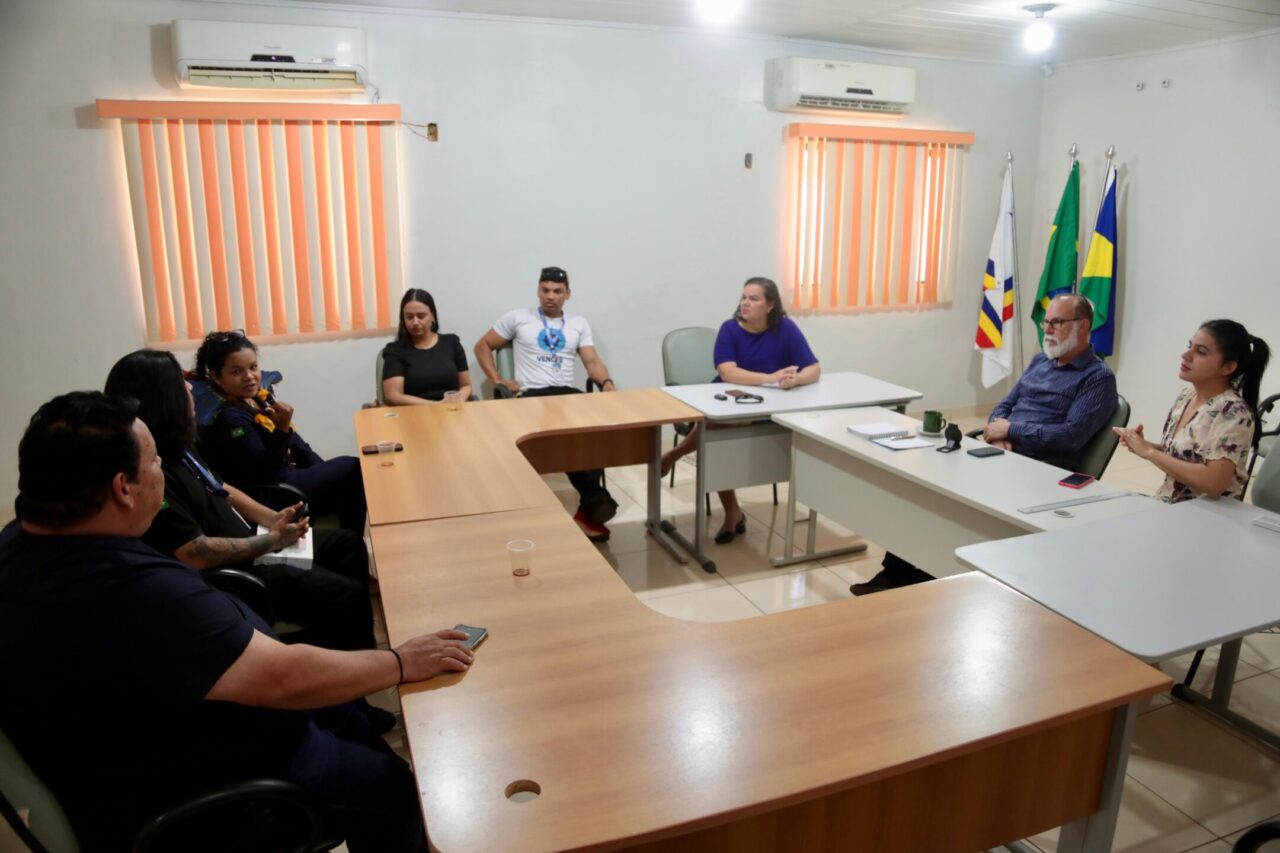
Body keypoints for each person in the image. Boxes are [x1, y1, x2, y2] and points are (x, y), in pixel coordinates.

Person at [0, 391, 474, 852]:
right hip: (217, 786)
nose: (162, 469)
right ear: (122, 488)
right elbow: (283, 678)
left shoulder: (22, 544)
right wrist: (400, 662)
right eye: (154, 462)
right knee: (394, 792)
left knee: (347, 713)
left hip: (205, 721)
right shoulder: (128, 593)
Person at [104, 351, 386, 720]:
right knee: (344, 596)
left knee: (347, 546)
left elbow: (221, 487)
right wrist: (271, 540)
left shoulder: (179, 446)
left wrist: (272, 519)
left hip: (253, 540)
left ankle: (354, 672)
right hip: (238, 572)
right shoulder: (151, 470)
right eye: (181, 384)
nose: (190, 389)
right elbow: (194, 553)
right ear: (161, 397)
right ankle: (342, 700)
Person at [853, 293, 1118, 595]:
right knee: (924, 483)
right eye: (1046, 322)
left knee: (956, 498)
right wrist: (999, 433)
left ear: (1083, 326)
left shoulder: (1098, 378)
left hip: (1042, 468)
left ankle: (930, 577)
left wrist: (1012, 430)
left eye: (1057, 322)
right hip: (1004, 452)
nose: (1047, 329)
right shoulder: (1040, 361)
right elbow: (1004, 406)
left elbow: (1071, 436)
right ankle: (897, 572)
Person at [661, 276, 819, 543]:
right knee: (718, 432)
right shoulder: (730, 329)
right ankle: (732, 512)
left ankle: (674, 456)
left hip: (770, 406)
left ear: (770, 305)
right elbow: (728, 372)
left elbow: (813, 368)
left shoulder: (785, 328)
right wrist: (770, 378)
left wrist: (797, 379)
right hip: (729, 398)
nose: (745, 303)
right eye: (744, 297)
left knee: (716, 432)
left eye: (753, 299)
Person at [474, 265, 620, 541]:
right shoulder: (518, 318)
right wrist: (498, 380)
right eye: (545, 290)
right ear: (538, 291)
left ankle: (591, 505)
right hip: (532, 395)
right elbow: (482, 346)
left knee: (593, 429)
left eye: (557, 291)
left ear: (567, 294)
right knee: (566, 432)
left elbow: (591, 361)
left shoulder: (578, 323)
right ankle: (593, 501)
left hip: (566, 394)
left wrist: (607, 383)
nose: (550, 296)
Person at [194, 330, 366, 533]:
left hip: (286, 477)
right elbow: (265, 472)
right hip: (271, 494)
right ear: (216, 377)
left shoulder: (256, 397)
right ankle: (351, 538)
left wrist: (324, 471)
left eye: (253, 367)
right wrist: (281, 430)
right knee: (352, 466)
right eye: (236, 372)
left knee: (343, 476)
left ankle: (348, 540)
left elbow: (298, 446)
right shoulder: (228, 417)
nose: (249, 377)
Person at [1114, 319, 1271, 503]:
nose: (1186, 355)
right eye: (1190, 346)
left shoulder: (1233, 412)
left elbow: (1214, 482)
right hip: (1170, 504)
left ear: (1228, 367)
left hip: (1208, 514)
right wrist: (1141, 445)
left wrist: (1149, 452)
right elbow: (1185, 455)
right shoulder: (1187, 396)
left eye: (1201, 352)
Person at [381, 288, 473, 404]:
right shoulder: (395, 351)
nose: (415, 322)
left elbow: (466, 385)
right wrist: (436, 405)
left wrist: (459, 399)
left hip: (452, 410)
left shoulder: (452, 343)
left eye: (421, 316)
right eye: (409, 317)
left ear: (432, 316)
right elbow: (393, 396)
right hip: (414, 411)